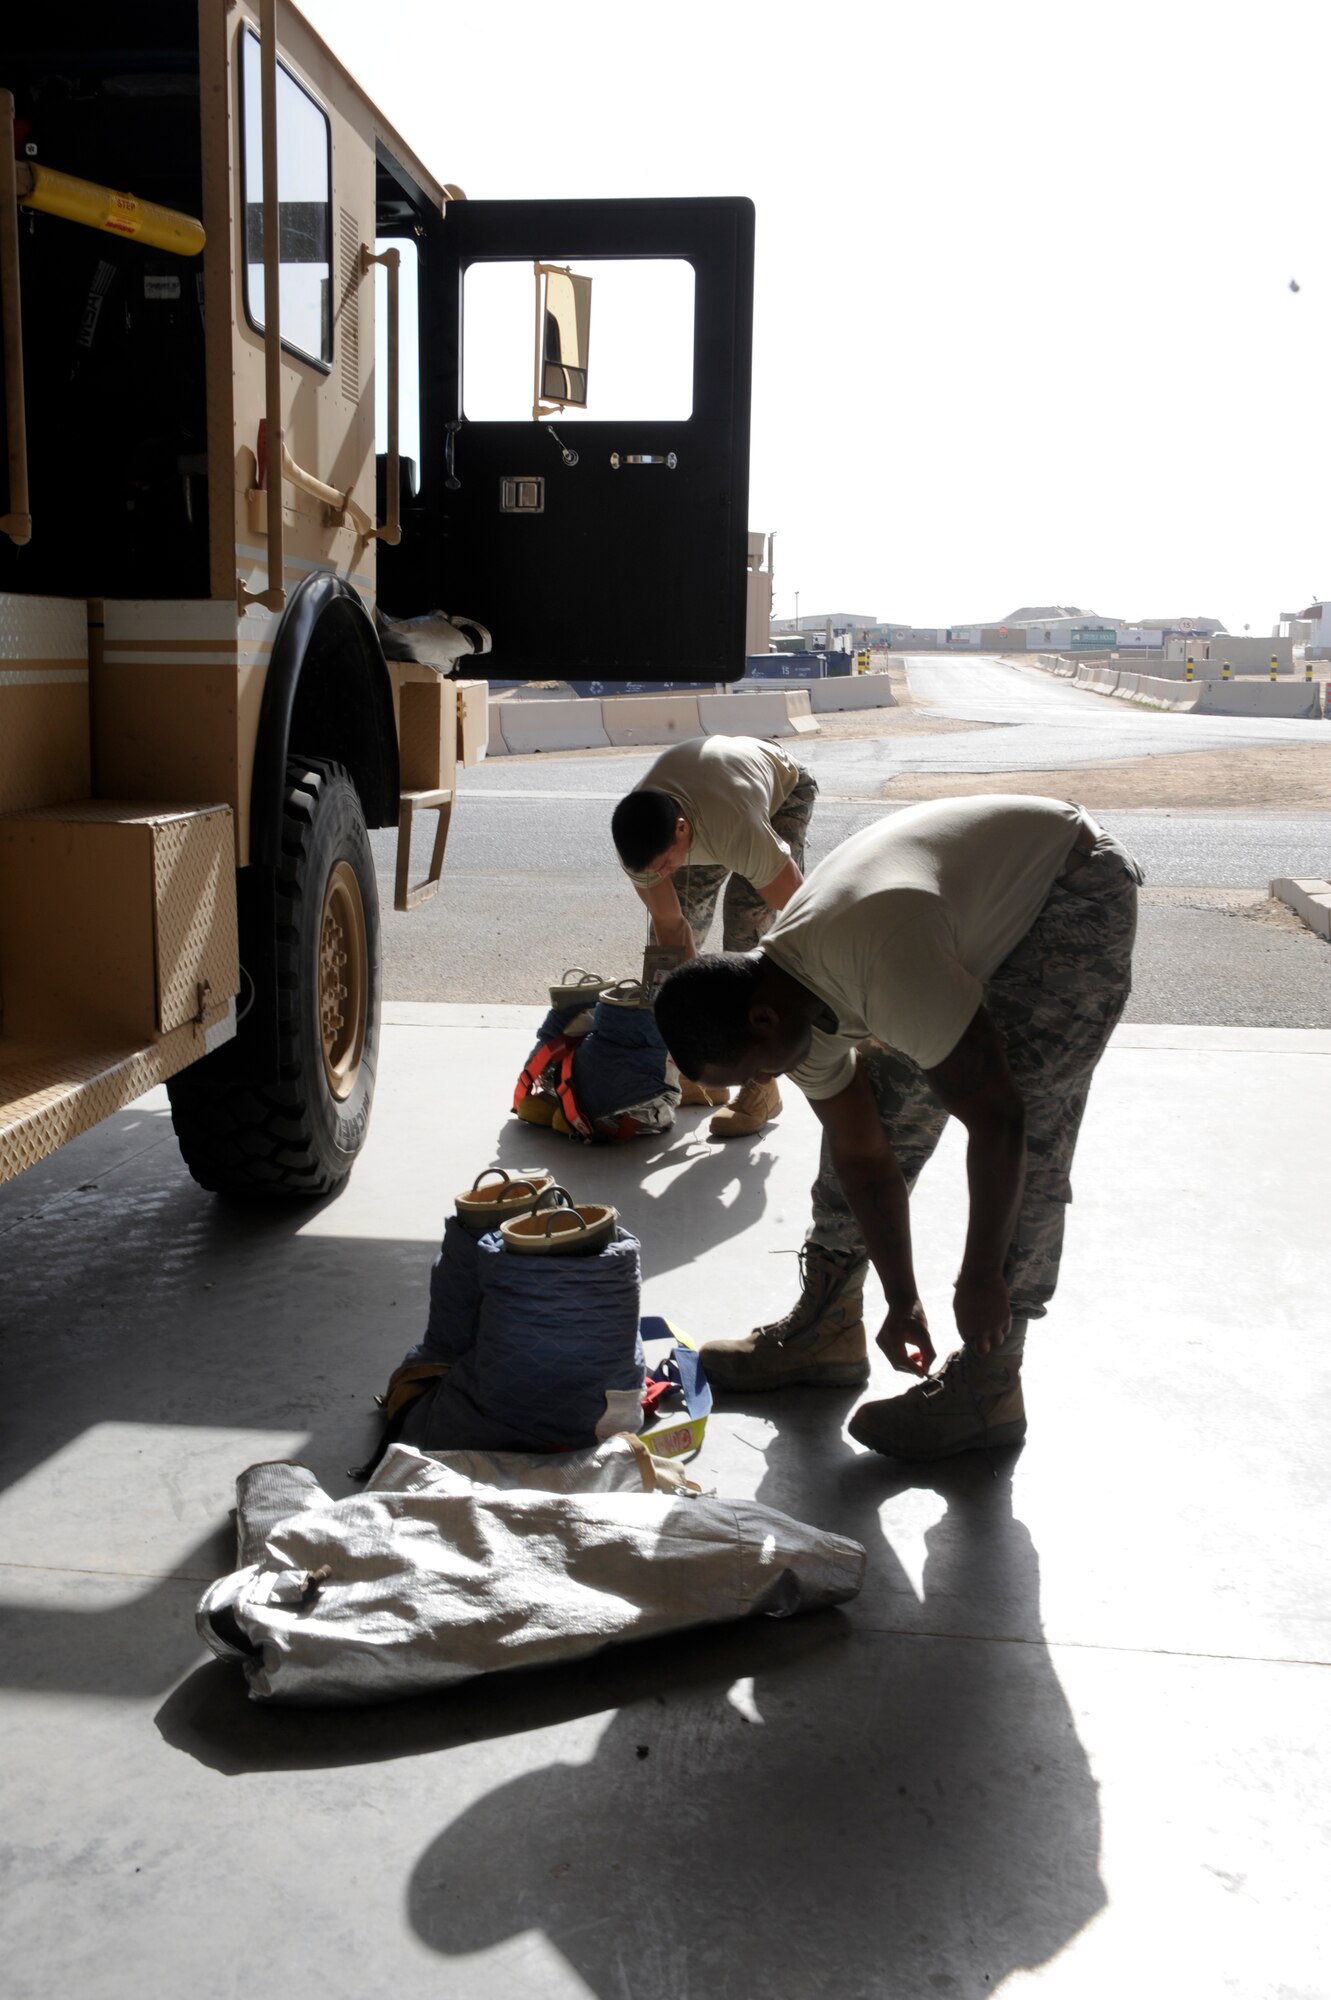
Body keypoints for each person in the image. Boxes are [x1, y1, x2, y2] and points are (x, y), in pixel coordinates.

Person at [652, 794, 1142, 1459]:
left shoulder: (877, 960)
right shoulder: (787, 1004)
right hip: (937, 917)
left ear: (762, 1021)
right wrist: (902, 1299)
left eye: (754, 1070)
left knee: (1028, 1114)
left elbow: (998, 1122)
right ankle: (830, 1327)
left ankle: (990, 1383)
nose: (764, 1082)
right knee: (882, 1107)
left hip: (1067, 883)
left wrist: (978, 1279)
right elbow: (864, 1158)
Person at [611, 734, 817, 1137]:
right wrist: (691, 1033)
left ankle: (762, 1086)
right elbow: (671, 929)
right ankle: (696, 1071)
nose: (661, 873)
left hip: (779, 791)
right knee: (669, 944)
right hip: (707, 801)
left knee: (747, 932)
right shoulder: (641, 845)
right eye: (653, 870)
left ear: (682, 830)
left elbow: (802, 915)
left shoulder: (738, 829)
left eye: (665, 863)